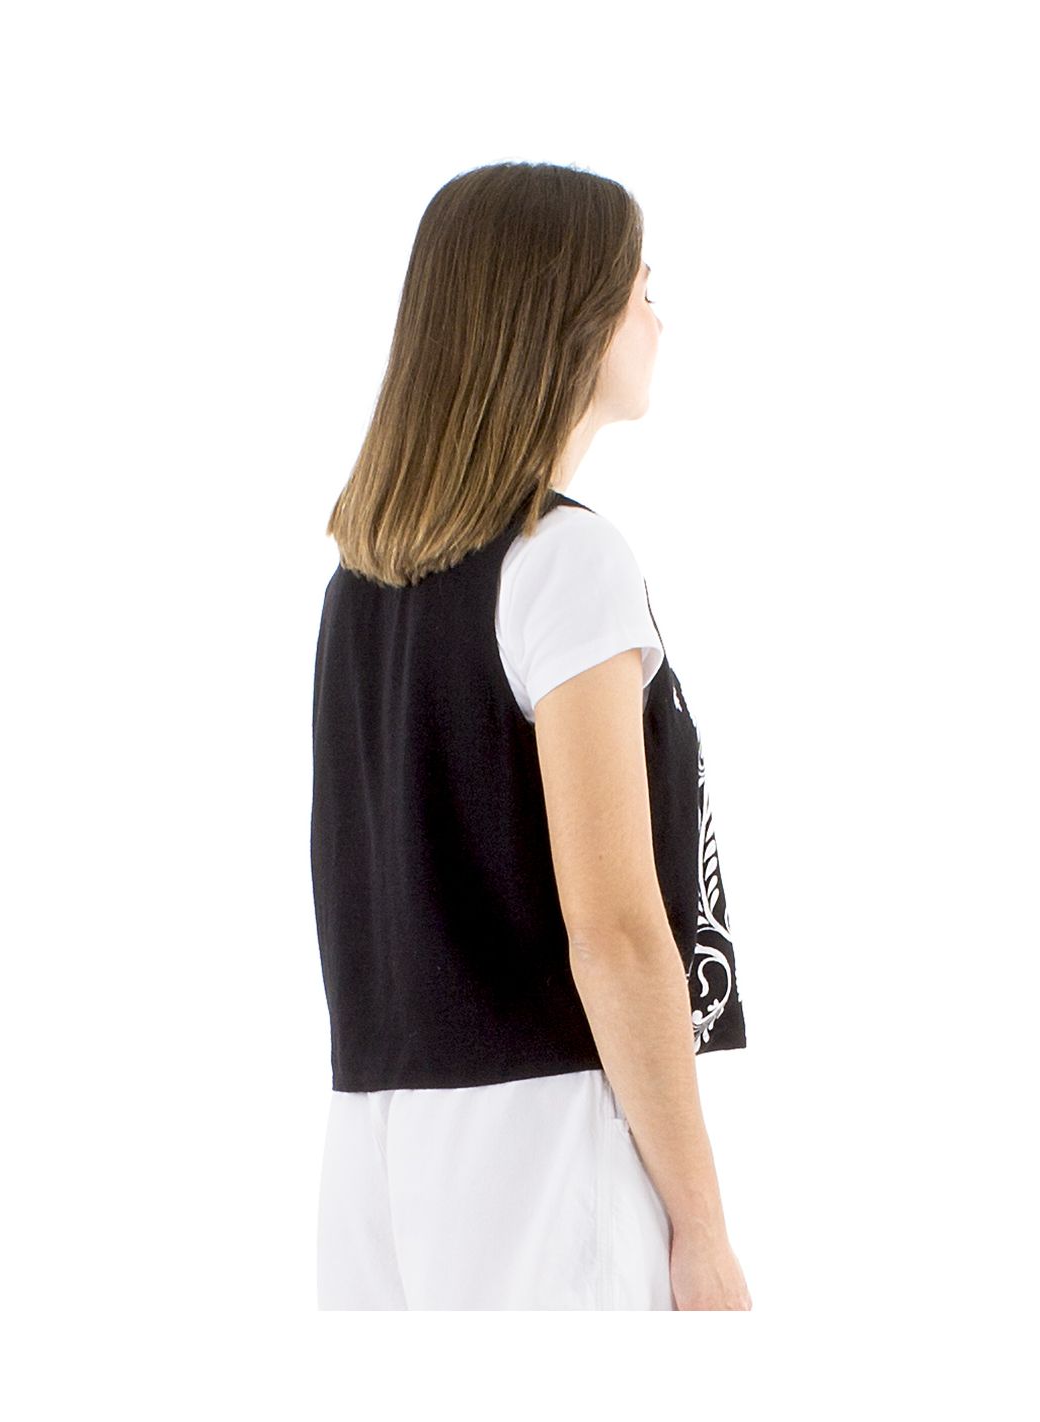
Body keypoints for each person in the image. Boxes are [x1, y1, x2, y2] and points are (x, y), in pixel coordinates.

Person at [311, 160, 751, 1310]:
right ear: (570, 317)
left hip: (374, 1144)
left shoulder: (361, 586)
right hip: (543, 1147)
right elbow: (613, 932)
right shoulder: (566, 562)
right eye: (640, 289)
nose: (656, 319)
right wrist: (702, 1228)